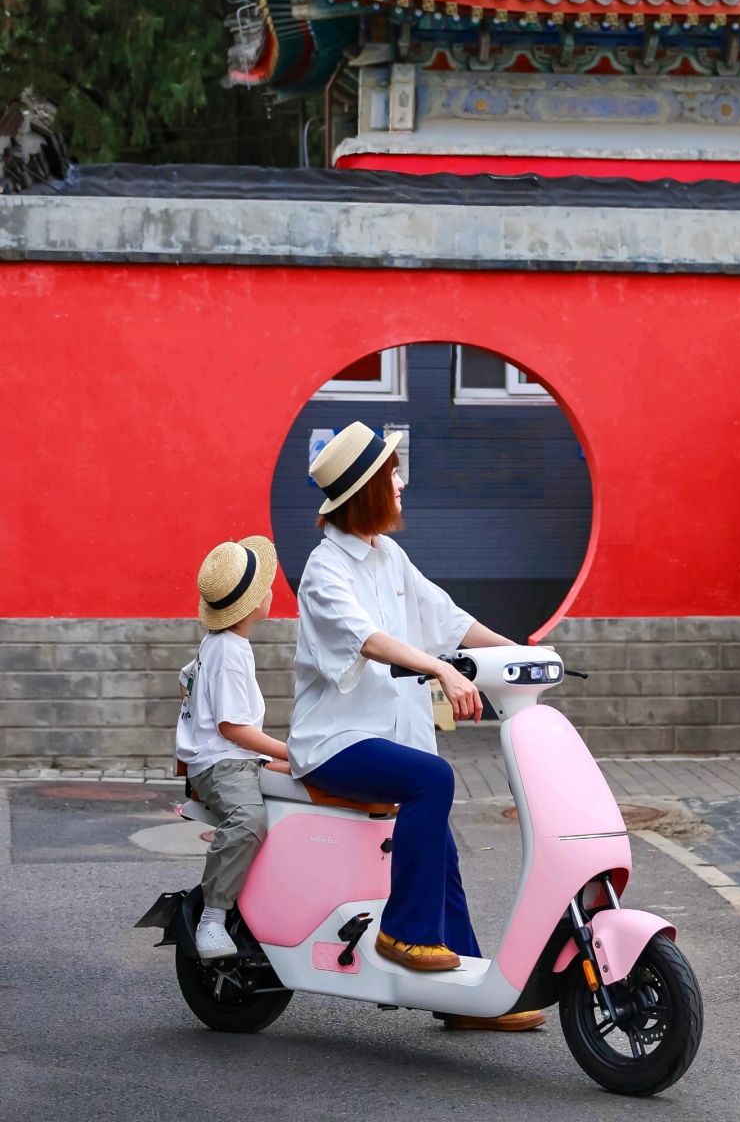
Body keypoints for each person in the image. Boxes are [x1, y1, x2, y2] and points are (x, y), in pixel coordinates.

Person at [290, 420, 545, 1032]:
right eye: (391, 475)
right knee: (432, 779)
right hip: (334, 743)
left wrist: (525, 659)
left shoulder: (388, 555)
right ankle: (404, 935)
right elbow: (368, 640)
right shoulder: (326, 570)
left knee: (440, 846)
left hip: (390, 740)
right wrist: (441, 671)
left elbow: (449, 619)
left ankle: (467, 995)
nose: (401, 484)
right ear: (366, 492)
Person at [177, 535, 290, 961]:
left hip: (231, 758)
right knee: (249, 820)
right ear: (256, 602)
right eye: (265, 585)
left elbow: (183, 677)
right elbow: (233, 727)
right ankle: (213, 917)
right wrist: (286, 751)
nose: (270, 590)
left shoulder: (222, 644)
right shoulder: (229, 652)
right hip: (223, 765)